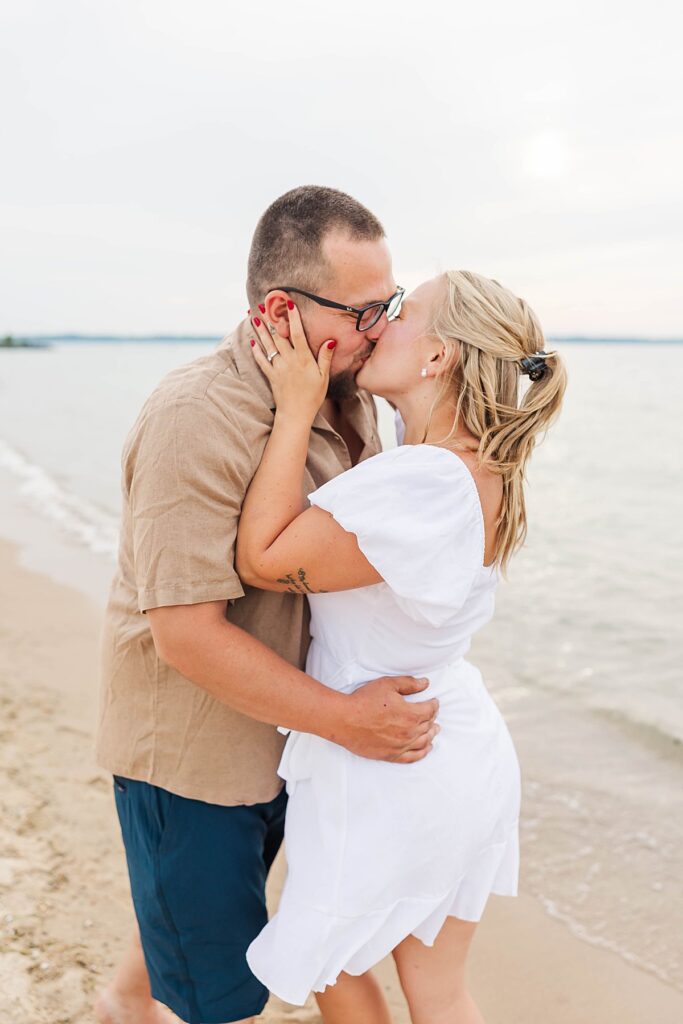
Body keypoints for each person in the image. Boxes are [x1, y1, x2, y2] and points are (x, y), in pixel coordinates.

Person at [94, 186, 440, 1024]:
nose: (380, 328)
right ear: (281, 307)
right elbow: (185, 636)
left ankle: (116, 1002)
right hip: (195, 757)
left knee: (201, 925)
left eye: (389, 305)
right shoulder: (195, 416)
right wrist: (345, 719)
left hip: (289, 735)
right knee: (222, 997)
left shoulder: (346, 391)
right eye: (364, 310)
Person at [236, 270, 567, 1024]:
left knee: (328, 956)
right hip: (440, 740)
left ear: (436, 358)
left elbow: (262, 558)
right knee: (436, 990)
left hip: (393, 759)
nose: (379, 321)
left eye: (401, 311)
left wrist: (294, 410)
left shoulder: (423, 477)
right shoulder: (472, 464)